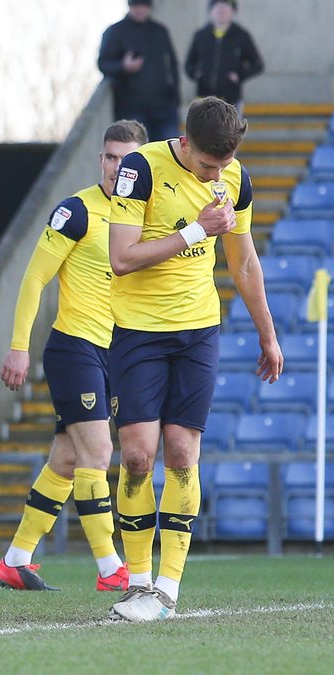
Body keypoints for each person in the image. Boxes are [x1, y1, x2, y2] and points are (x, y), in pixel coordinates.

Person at [106, 96, 282, 622]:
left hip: (198, 332)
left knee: (182, 452)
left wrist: (267, 335)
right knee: (137, 455)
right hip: (138, 331)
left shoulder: (236, 179)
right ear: (185, 144)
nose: (217, 175)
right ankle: (136, 581)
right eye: (208, 165)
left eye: (224, 165)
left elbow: (244, 262)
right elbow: (121, 258)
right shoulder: (140, 170)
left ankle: (166, 589)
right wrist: (194, 231)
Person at [0, 120, 147, 593]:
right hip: (75, 347)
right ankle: (110, 568)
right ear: (99, 159)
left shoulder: (145, 215)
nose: (116, 166)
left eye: (126, 159)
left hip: (116, 351)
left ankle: (16, 560)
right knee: (98, 453)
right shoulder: (77, 211)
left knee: (65, 460)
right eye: (109, 156)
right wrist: (20, 345)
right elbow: (34, 278)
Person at [97, 0, 181, 141]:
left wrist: (175, 97)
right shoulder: (115, 32)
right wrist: (123, 66)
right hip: (131, 109)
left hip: (164, 107)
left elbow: (172, 65)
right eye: (136, 5)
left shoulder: (160, 31)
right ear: (130, 6)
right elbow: (103, 64)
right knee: (138, 155)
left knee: (170, 153)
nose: (141, 9)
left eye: (144, 5)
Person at [184, 0, 264, 114]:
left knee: (229, 131)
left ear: (233, 11)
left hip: (230, 102)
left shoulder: (242, 36)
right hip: (203, 100)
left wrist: (239, 75)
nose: (221, 10)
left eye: (225, 6)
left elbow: (257, 64)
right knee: (203, 131)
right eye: (217, 6)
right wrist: (196, 73)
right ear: (210, 11)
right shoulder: (201, 35)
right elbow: (188, 64)